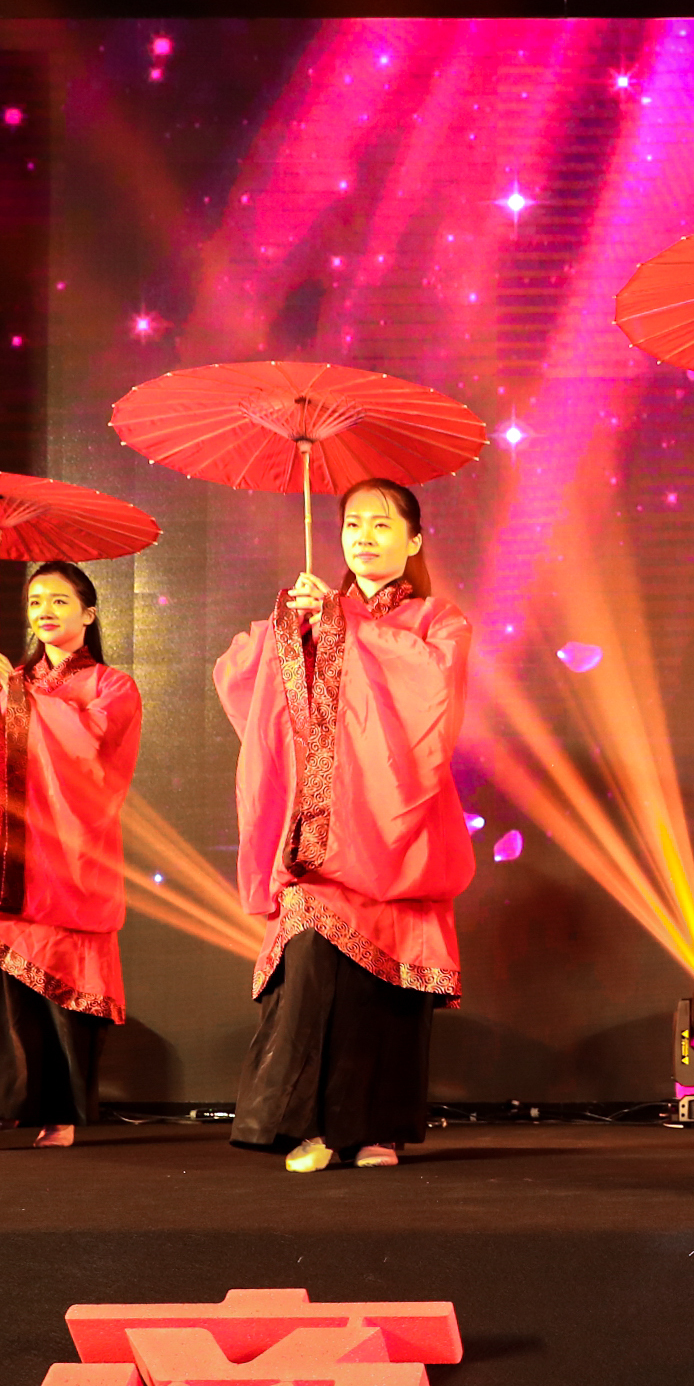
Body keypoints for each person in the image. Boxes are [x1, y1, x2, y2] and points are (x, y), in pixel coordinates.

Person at [214, 479, 472, 1172]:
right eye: (354, 523)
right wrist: (292, 629)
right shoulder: (313, 609)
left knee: (380, 993)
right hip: (319, 838)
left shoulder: (437, 620)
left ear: (414, 540)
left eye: (383, 524)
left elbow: (432, 695)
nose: (364, 536)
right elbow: (239, 680)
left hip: (397, 833)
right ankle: (309, 1127)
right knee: (306, 977)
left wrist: (343, 626)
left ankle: (374, 1129)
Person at [0, 561, 143, 1147]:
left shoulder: (111, 686)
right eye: (34, 602)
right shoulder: (10, 679)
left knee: (64, 987)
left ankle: (61, 1116)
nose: (44, 611)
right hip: (8, 856)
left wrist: (21, 698)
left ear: (88, 613)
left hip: (69, 858)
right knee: (0, 980)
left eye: (59, 601)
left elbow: (93, 747)